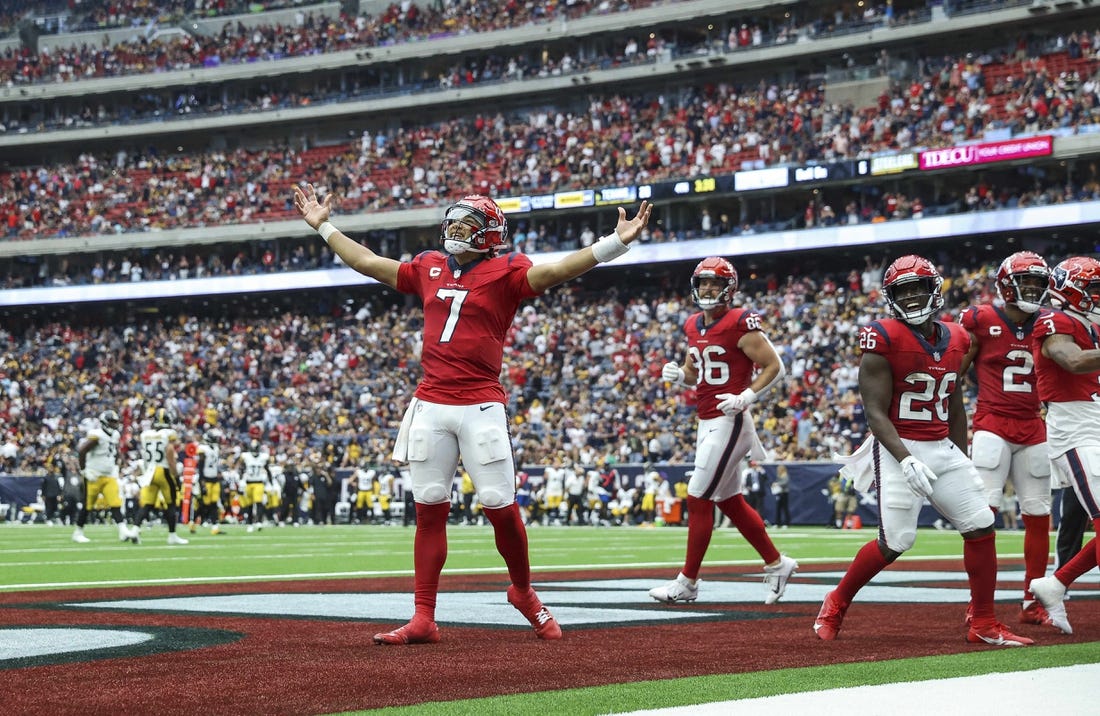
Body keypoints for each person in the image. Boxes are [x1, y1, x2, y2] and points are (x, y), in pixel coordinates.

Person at [293, 183, 651, 644]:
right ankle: (424, 615)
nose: (455, 231)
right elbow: (367, 262)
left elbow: (557, 270)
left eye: (466, 226)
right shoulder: (429, 266)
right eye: (453, 223)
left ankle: (523, 592)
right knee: (429, 512)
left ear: (489, 235)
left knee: (501, 508)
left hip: (480, 404)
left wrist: (614, 243)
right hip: (430, 404)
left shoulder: (507, 270)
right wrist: (323, 225)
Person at [815, 255, 1032, 646]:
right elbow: (875, 413)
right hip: (898, 445)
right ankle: (836, 600)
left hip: (941, 445)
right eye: (904, 290)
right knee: (896, 541)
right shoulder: (882, 336)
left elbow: (954, 402)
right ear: (890, 297)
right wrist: (906, 458)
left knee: (981, 523)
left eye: (918, 288)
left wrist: (962, 451)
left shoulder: (959, 337)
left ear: (935, 290)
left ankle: (983, 621)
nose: (913, 296)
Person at [649, 256, 797, 606]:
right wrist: (678, 375)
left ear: (730, 288)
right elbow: (693, 371)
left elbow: (776, 367)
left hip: (730, 420)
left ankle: (687, 582)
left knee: (698, 495)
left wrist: (746, 395)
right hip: (706, 420)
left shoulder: (740, 322)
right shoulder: (691, 324)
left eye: (715, 283)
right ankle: (777, 563)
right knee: (729, 501)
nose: (708, 289)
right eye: (703, 283)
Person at [958, 251, 1054, 626]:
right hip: (993, 423)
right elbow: (956, 368)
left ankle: (1033, 599)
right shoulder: (981, 319)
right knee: (983, 516)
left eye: (1037, 283)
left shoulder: (1049, 322)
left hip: (1033, 424)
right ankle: (978, 603)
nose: (1032, 289)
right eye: (1025, 282)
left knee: (1038, 515)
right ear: (1005, 285)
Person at [1027, 256, 1100, 635]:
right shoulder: (1054, 321)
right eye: (1094, 289)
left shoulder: (1090, 324)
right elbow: (1070, 360)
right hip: (1077, 432)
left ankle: (1055, 583)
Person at [72, 409, 140, 544]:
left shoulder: (114, 435)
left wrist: (118, 464)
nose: (115, 425)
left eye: (115, 422)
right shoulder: (96, 435)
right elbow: (82, 451)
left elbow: (115, 451)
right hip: (94, 475)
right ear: (104, 422)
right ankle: (78, 532)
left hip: (109, 475)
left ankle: (123, 531)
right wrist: (84, 470)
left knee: (115, 502)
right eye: (112, 422)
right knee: (88, 505)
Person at [132, 407, 189, 545]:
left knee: (147, 504)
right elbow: (169, 452)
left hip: (150, 471)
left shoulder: (145, 434)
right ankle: (172, 535)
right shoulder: (168, 434)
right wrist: (176, 476)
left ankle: (135, 529)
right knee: (171, 504)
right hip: (163, 470)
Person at [195, 428, 225, 534]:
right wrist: (201, 482)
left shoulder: (215, 448)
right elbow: (201, 466)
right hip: (206, 479)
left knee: (213, 503)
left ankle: (215, 527)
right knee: (204, 504)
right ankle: (193, 521)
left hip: (214, 479)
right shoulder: (203, 449)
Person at [239, 439, 271, 532]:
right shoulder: (246, 456)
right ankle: (250, 523)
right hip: (248, 483)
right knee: (249, 504)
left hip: (259, 483)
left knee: (258, 502)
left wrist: (270, 482)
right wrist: (241, 480)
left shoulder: (263, 457)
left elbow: (267, 469)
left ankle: (258, 522)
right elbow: (241, 468)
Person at [772, 463, 791, 528]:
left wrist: (777, 484)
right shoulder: (779, 476)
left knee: (785, 508)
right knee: (778, 509)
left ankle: (786, 523)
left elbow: (785, 483)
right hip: (779, 493)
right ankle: (777, 523)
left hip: (784, 493)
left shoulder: (785, 475)